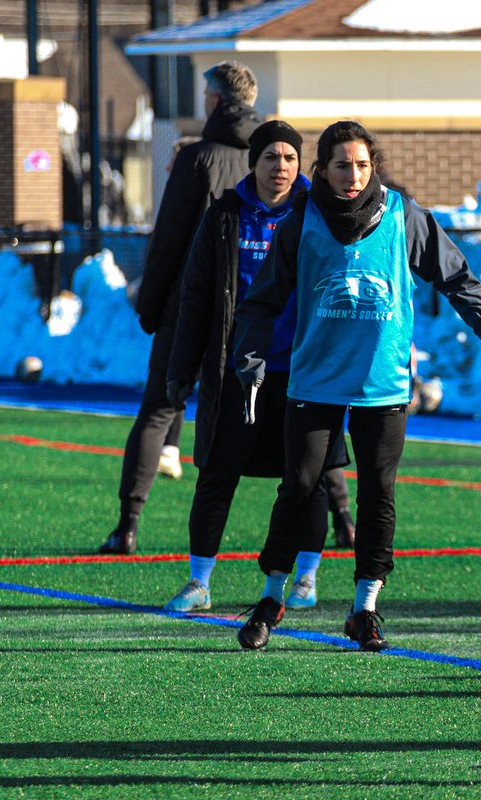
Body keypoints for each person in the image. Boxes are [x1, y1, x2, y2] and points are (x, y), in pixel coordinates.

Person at [230, 120, 481, 651]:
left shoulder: (403, 216)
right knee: (297, 487)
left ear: (375, 168)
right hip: (315, 382)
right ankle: (272, 598)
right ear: (321, 169)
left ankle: (365, 608)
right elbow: (261, 301)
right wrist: (249, 361)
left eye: (363, 165)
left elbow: (454, 276)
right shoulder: (302, 220)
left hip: (383, 385)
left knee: (378, 494)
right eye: (342, 165)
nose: (353, 175)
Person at [162, 120, 351, 613]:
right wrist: (182, 366)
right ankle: (199, 581)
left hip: (305, 372)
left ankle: (306, 578)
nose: (280, 167)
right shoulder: (225, 215)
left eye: (290, 157)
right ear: (254, 162)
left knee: (306, 477)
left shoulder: (322, 212)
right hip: (238, 373)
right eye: (271, 157)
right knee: (217, 473)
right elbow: (197, 296)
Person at [98, 62, 261, 554]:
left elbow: (169, 241)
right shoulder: (277, 153)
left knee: (158, 407)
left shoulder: (198, 158)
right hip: (255, 309)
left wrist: (150, 305)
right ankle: (341, 519)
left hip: (193, 305)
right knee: (288, 413)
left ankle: (127, 526)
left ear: (214, 99)